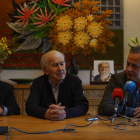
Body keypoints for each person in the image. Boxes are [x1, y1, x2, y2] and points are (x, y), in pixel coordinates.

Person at [25, 50, 89, 120]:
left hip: (69, 124)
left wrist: (65, 113)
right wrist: (46, 113)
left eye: (62, 64)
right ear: (45, 69)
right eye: (55, 65)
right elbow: (30, 106)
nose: (60, 68)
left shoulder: (74, 81)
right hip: (45, 124)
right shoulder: (38, 82)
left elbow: (83, 106)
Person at [98, 46, 140, 118]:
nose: (128, 69)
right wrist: (131, 111)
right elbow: (103, 107)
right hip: (121, 126)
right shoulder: (117, 79)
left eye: (134, 66)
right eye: (128, 64)